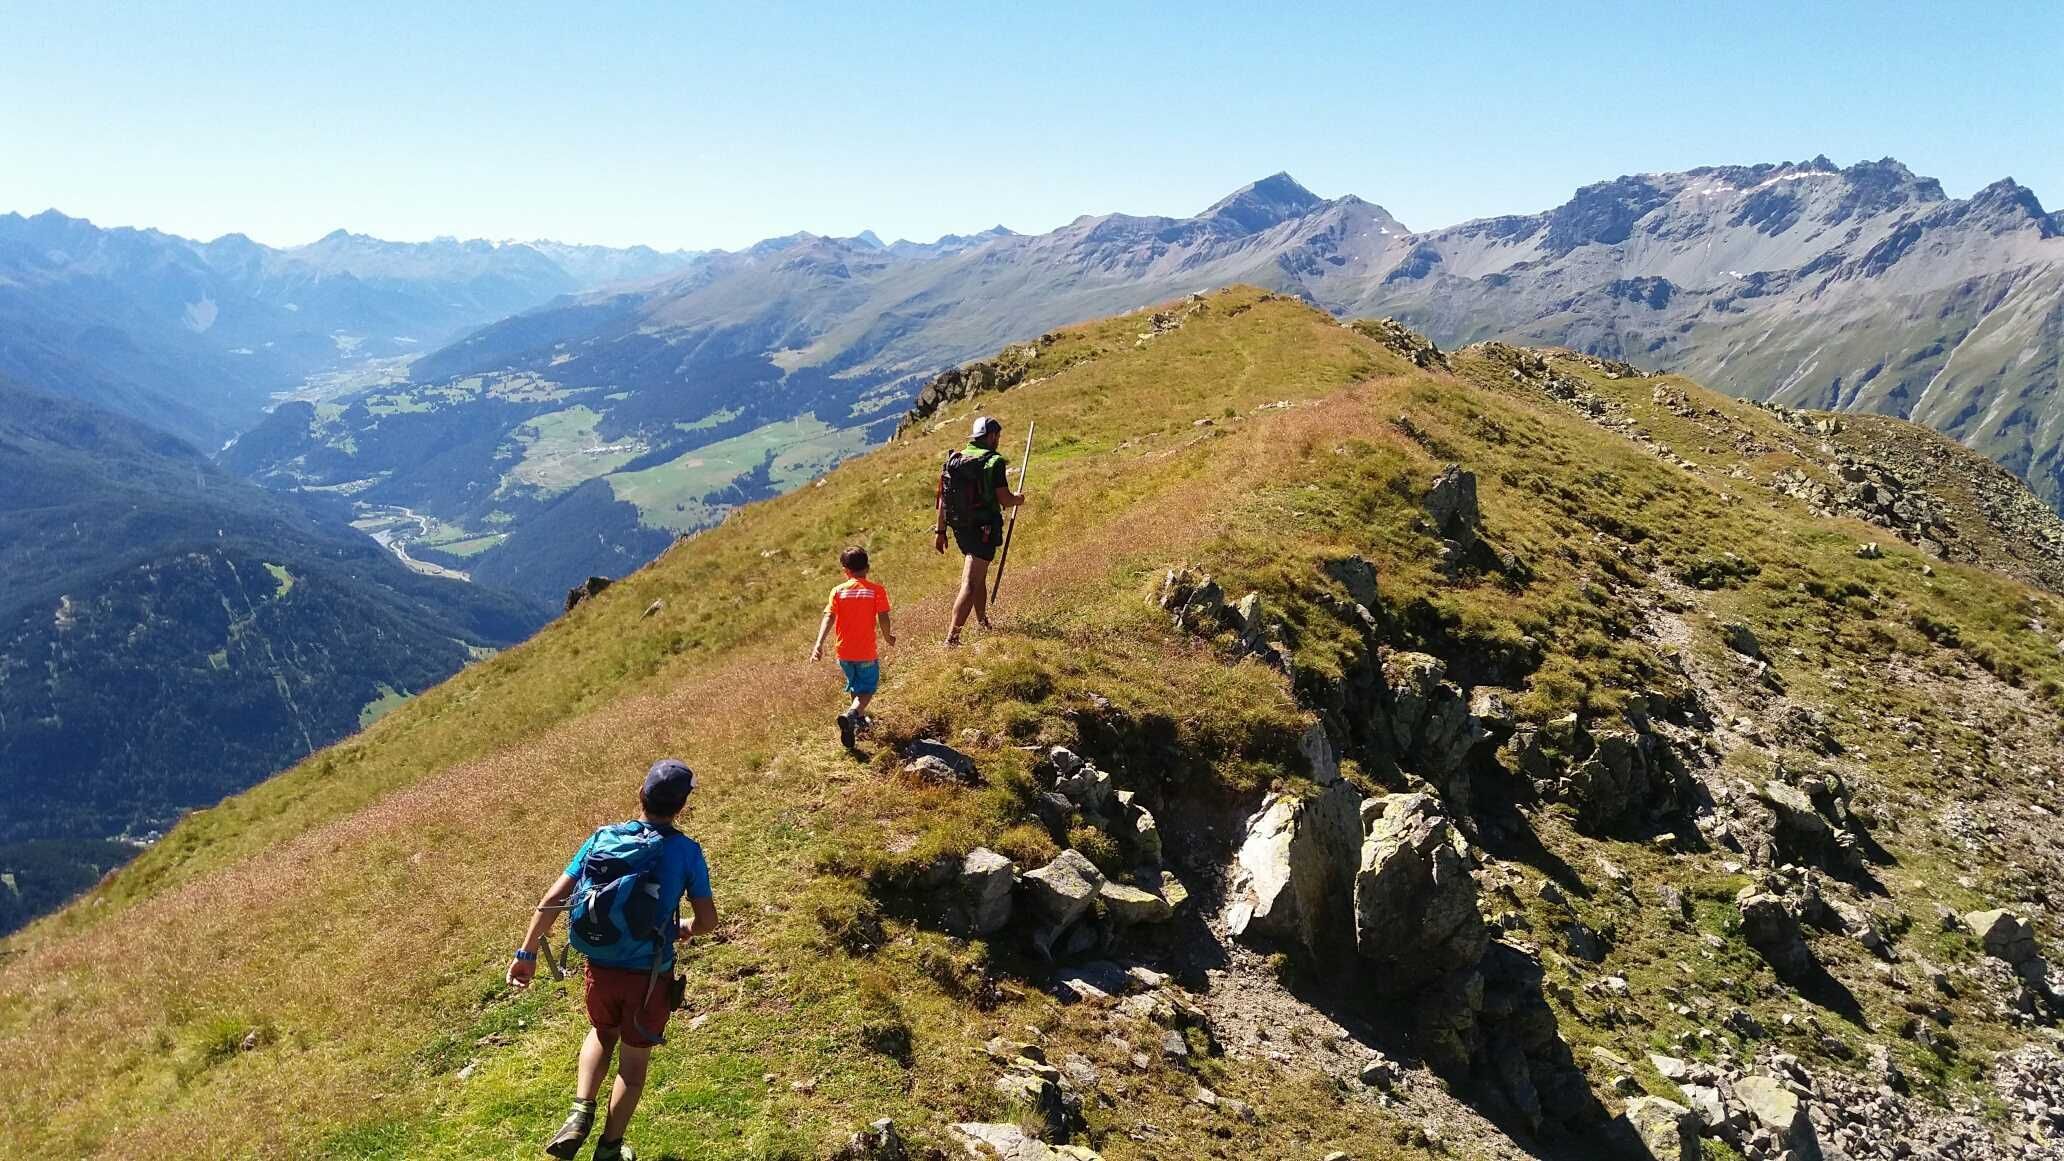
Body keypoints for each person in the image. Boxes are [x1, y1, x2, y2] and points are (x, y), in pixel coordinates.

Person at [509, 759, 717, 1161]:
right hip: (650, 976)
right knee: (633, 1065)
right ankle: (608, 1149)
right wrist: (685, 927)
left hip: (599, 966)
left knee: (602, 1032)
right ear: (682, 806)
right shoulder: (686, 852)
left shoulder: (602, 837)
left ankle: (579, 1113)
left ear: (641, 794)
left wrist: (526, 954)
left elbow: (553, 898)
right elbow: (708, 921)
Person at [933, 415, 1024, 646]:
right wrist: (1019, 499)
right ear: (991, 436)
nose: (998, 440)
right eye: (998, 436)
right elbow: (1005, 499)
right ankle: (952, 639)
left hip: (960, 529)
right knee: (970, 583)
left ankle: (982, 622)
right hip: (983, 529)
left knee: (978, 577)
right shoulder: (993, 462)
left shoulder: (955, 459)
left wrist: (940, 532)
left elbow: (943, 499)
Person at [810, 545, 895, 748]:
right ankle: (853, 714)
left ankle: (858, 722)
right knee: (868, 688)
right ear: (868, 567)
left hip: (844, 653)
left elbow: (829, 617)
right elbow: (883, 617)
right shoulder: (875, 590)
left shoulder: (838, 592)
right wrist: (887, 636)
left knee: (856, 685)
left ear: (845, 570)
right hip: (865, 652)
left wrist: (818, 644)